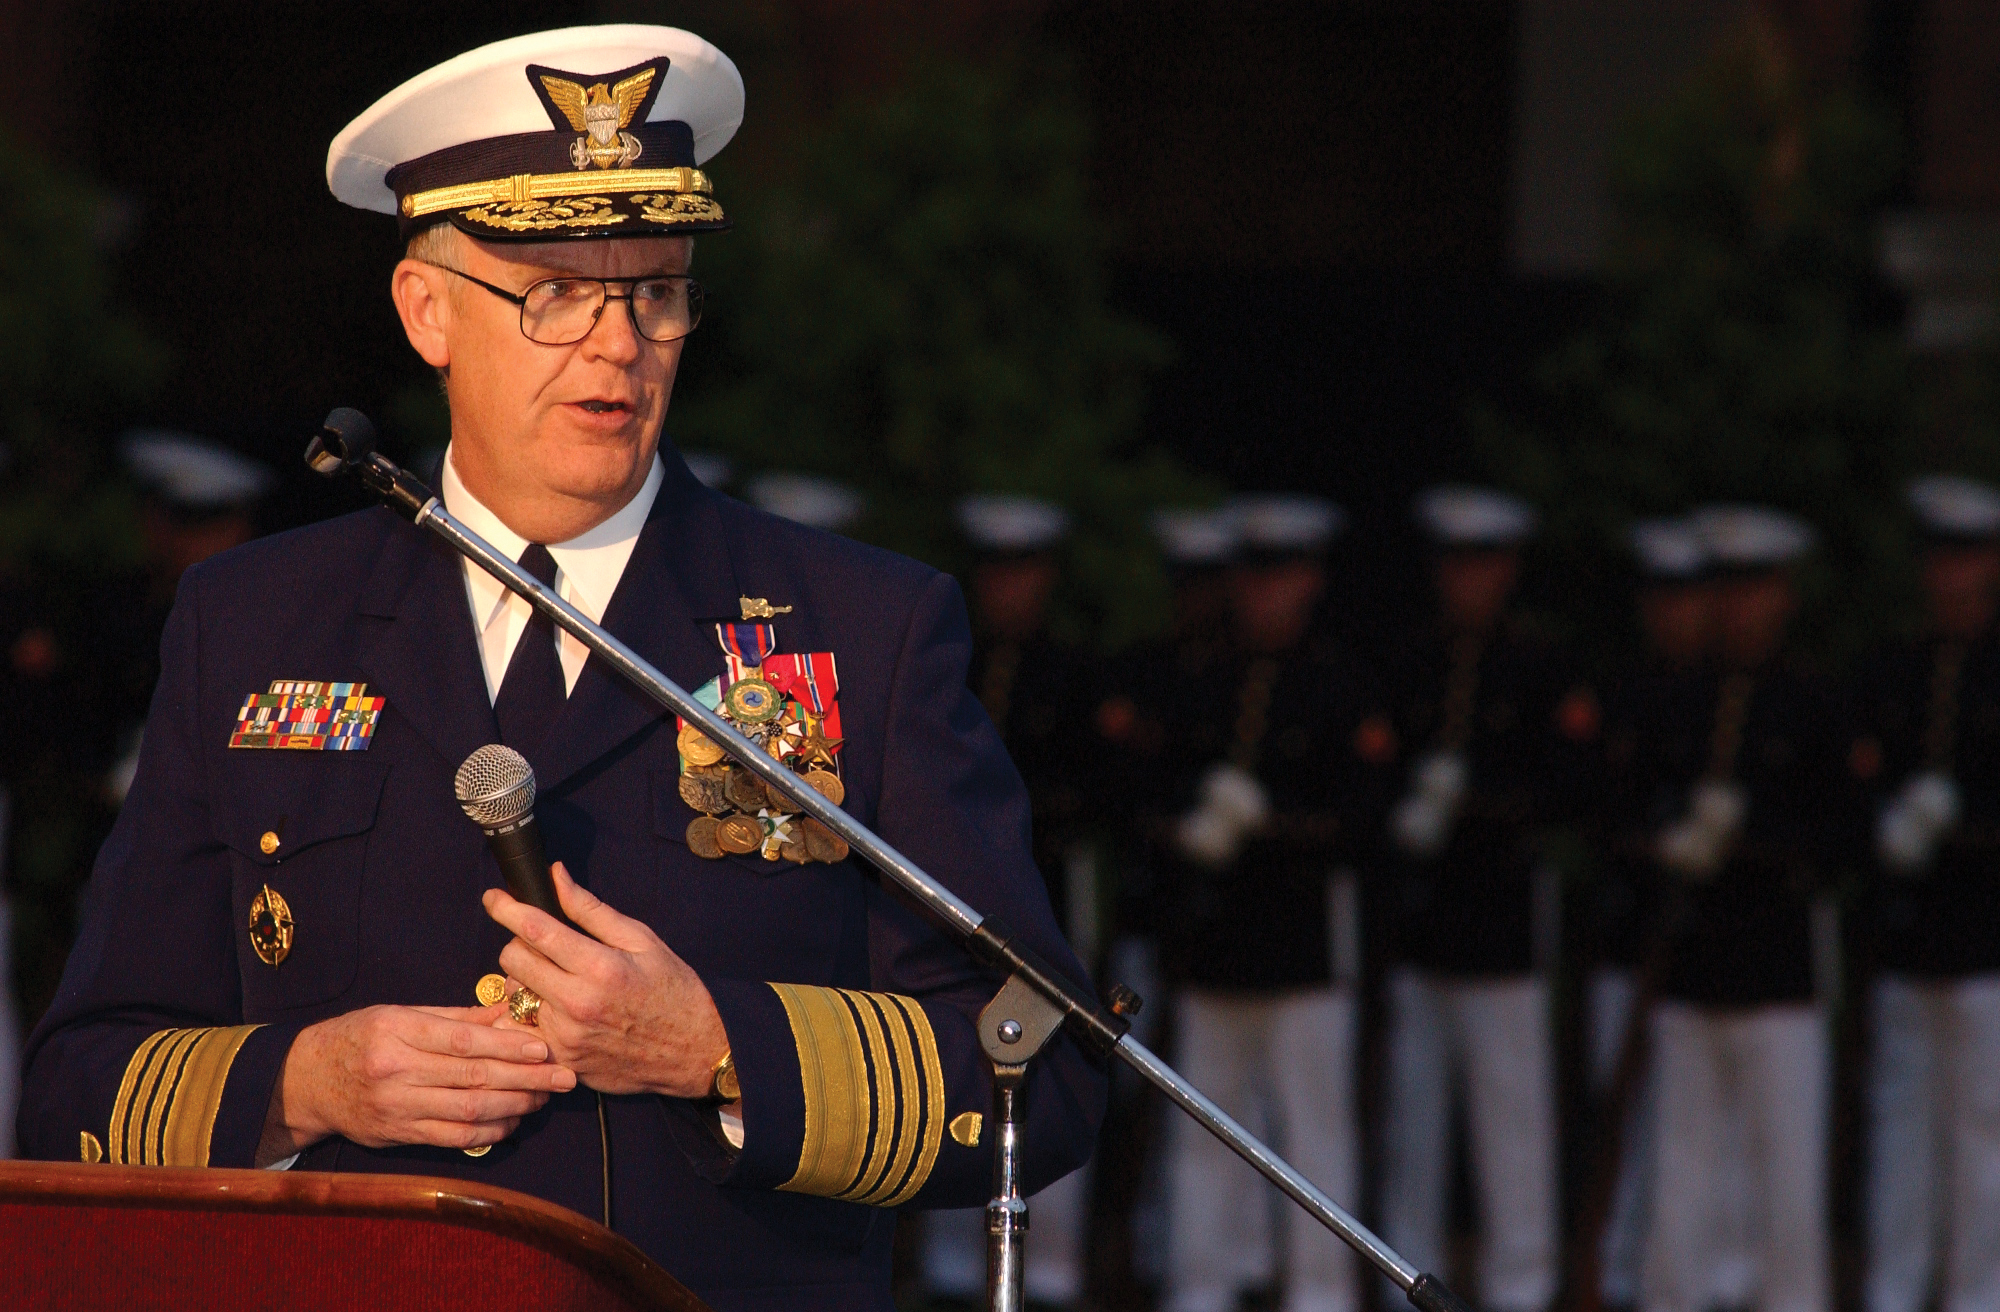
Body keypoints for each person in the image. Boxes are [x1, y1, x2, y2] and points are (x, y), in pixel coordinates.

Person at [17, 27, 1103, 1312]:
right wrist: (304, 1079)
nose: (616, 343)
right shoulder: (255, 623)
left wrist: (716, 1045)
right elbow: (80, 1087)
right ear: (427, 312)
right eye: (551, 291)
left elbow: (1042, 1066)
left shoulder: (863, 626)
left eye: (654, 289)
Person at [1159, 493, 1384, 1312]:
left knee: (1314, 1136)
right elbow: (1150, 791)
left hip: (1303, 947)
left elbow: (1365, 818)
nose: (1262, 598)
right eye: (1250, 581)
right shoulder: (1205, 677)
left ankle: (1320, 1295)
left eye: (1279, 580)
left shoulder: (1336, 684)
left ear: (1309, 584)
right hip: (1215, 945)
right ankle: (1198, 1290)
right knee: (1200, 1136)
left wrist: (1272, 825)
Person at [1378, 485, 1591, 1312]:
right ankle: (1411, 1282)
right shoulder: (1412, 661)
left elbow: (1565, 787)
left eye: (1485, 564)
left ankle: (1523, 1287)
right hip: (1424, 930)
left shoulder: (1538, 666)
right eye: (1457, 565)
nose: (1470, 582)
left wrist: (1476, 802)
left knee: (1513, 1127)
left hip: (1504, 928)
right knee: (1414, 1131)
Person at [1640, 505, 1846, 1312]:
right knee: (1683, 1162)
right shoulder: (1680, 697)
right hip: (1692, 963)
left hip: (1778, 966)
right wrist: (1668, 835)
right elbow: (1625, 803)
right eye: (1724, 588)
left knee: (1787, 1165)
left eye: (1754, 589)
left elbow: (1841, 834)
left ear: (1783, 596)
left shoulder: (1810, 702)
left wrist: (1754, 839)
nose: (1737, 607)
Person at [920, 492, 1098, 1309]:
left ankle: (1053, 1271)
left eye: (1023, 571)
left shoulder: (1073, 676)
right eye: (996, 571)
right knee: (950, 1071)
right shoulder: (951, 662)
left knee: (1051, 1075)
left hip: (1047, 908)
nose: (1008, 589)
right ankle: (954, 1270)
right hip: (952, 921)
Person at [1858, 475, 2000, 1312]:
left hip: (1989, 943)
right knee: (1902, 1136)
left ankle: (1981, 1297)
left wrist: (1965, 820)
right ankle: (1892, 1291)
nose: (1950, 579)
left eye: (1967, 560)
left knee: (1985, 1134)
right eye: (1939, 561)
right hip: (1911, 941)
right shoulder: (1898, 666)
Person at [1585, 517, 1719, 1310]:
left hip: (1711, 962)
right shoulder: (1625, 693)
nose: (1672, 615)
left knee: (1700, 1142)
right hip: (1630, 941)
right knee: (1626, 1132)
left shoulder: (1727, 694)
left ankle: (1702, 1281)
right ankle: (1619, 1276)